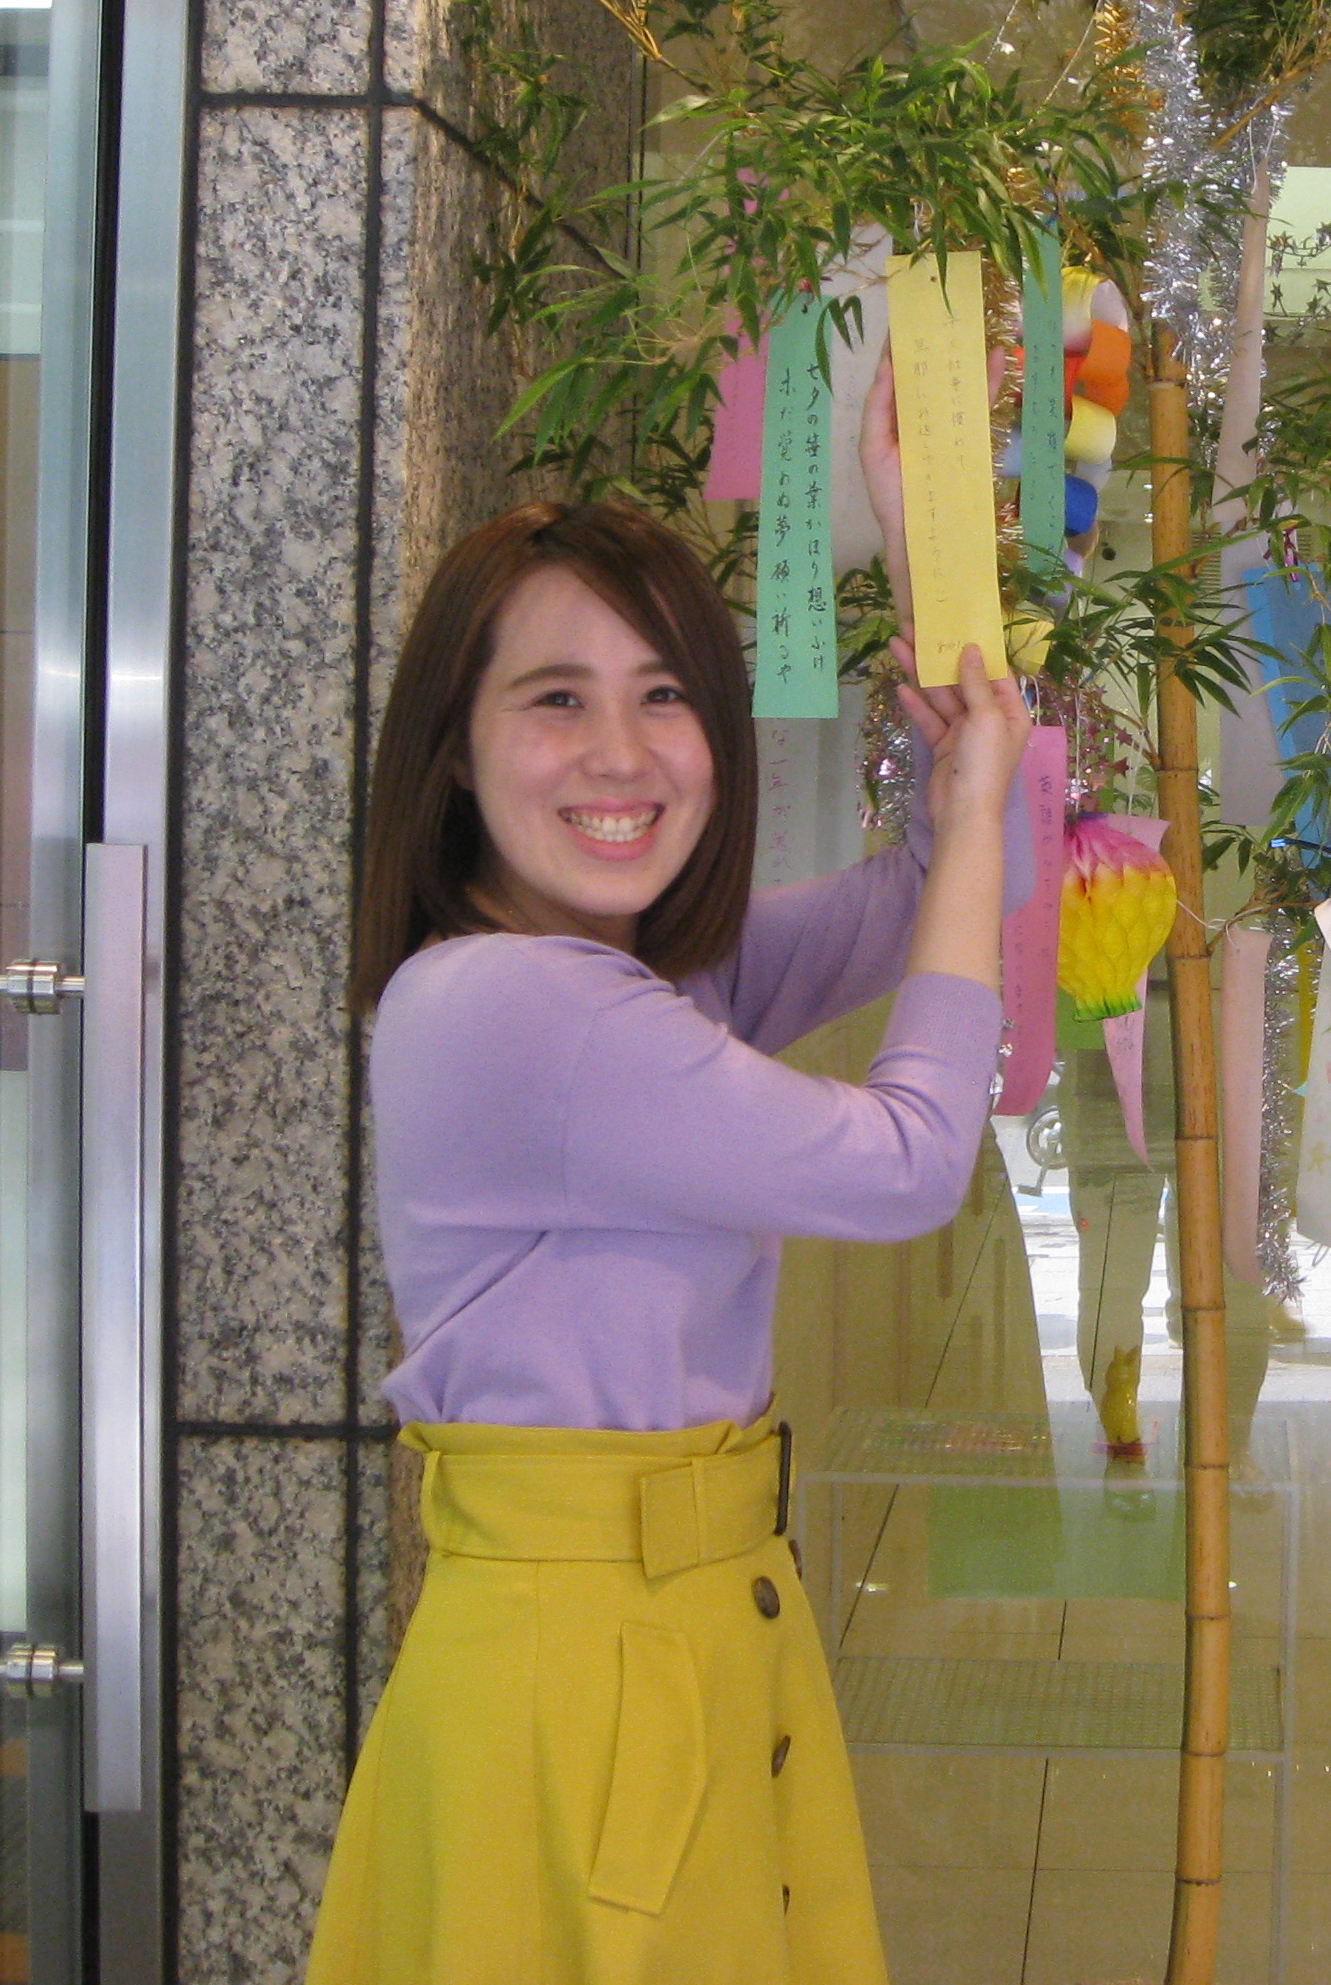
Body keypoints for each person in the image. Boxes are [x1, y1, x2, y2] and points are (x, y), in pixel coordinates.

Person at [307, 397, 1032, 1980]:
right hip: (591, 1673)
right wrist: (974, 801)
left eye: (664, 697)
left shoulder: (624, 978)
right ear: (454, 751)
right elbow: (915, 1159)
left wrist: (939, 584)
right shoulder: (529, 1010)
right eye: (556, 700)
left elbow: (948, 892)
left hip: (671, 1636)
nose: (622, 755)